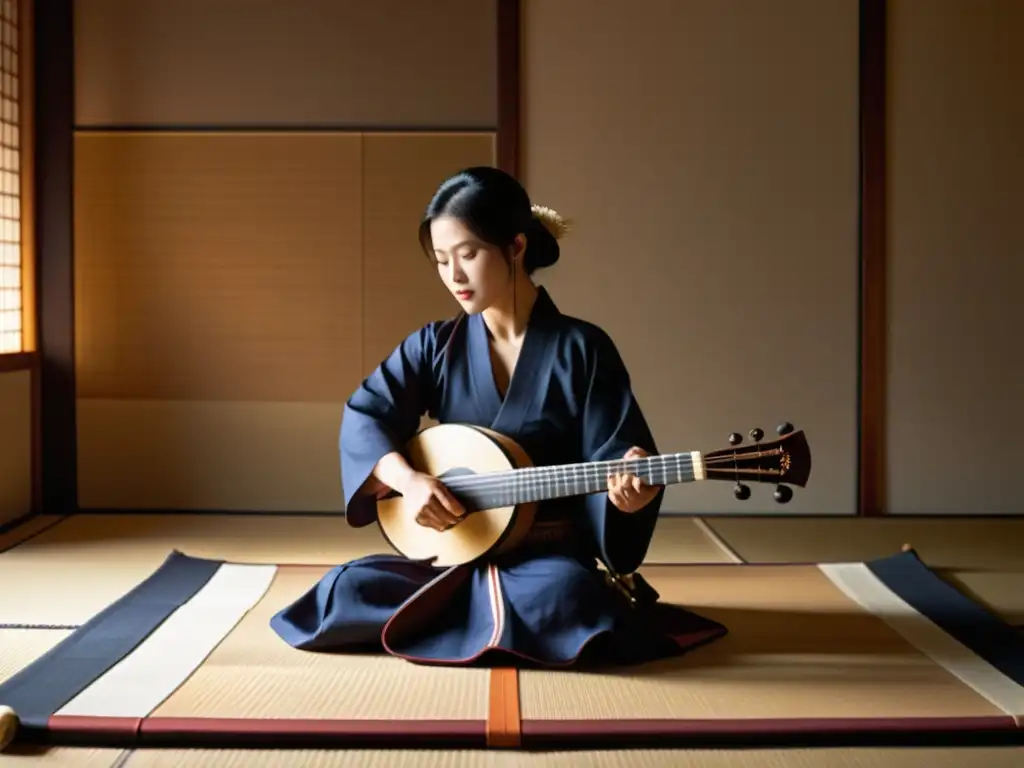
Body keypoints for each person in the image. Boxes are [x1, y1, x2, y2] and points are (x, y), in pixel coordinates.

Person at [270, 166, 727, 667]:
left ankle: (457, 618)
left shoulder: (582, 348)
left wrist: (629, 495)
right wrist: (410, 481)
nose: (454, 277)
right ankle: (479, 617)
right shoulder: (435, 345)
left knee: (567, 596)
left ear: (515, 247)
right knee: (343, 588)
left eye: (468, 255)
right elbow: (367, 414)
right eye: (442, 261)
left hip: (545, 560)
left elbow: (616, 452)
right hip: (452, 550)